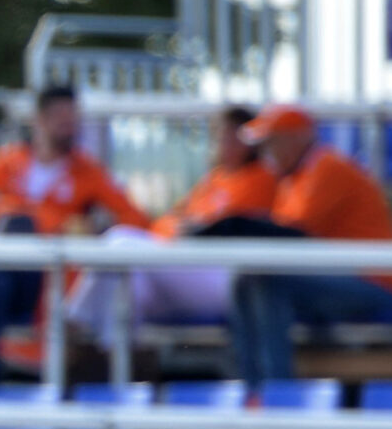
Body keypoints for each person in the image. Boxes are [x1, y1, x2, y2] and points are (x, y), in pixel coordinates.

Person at [0, 85, 150, 389]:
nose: (68, 124)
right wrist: (38, 218)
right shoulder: (5, 163)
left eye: (73, 117)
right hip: (8, 276)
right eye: (60, 116)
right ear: (39, 120)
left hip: (50, 281)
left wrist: (94, 229)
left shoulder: (88, 172)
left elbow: (134, 219)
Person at [220, 103, 392, 388]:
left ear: (296, 138)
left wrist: (237, 225)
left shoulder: (327, 168)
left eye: (272, 143)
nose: (266, 154)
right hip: (342, 277)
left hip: (376, 282)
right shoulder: (293, 178)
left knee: (270, 281)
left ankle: (277, 394)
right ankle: (252, 390)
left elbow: (292, 234)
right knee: (245, 280)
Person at [65, 105, 279, 337]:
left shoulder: (262, 178)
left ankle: (73, 321)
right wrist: (182, 229)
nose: (224, 143)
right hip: (188, 270)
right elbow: (168, 223)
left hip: (225, 278)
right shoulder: (216, 179)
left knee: (120, 240)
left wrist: (188, 229)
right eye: (221, 135)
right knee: (132, 287)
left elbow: (214, 231)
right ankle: (115, 363)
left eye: (234, 137)